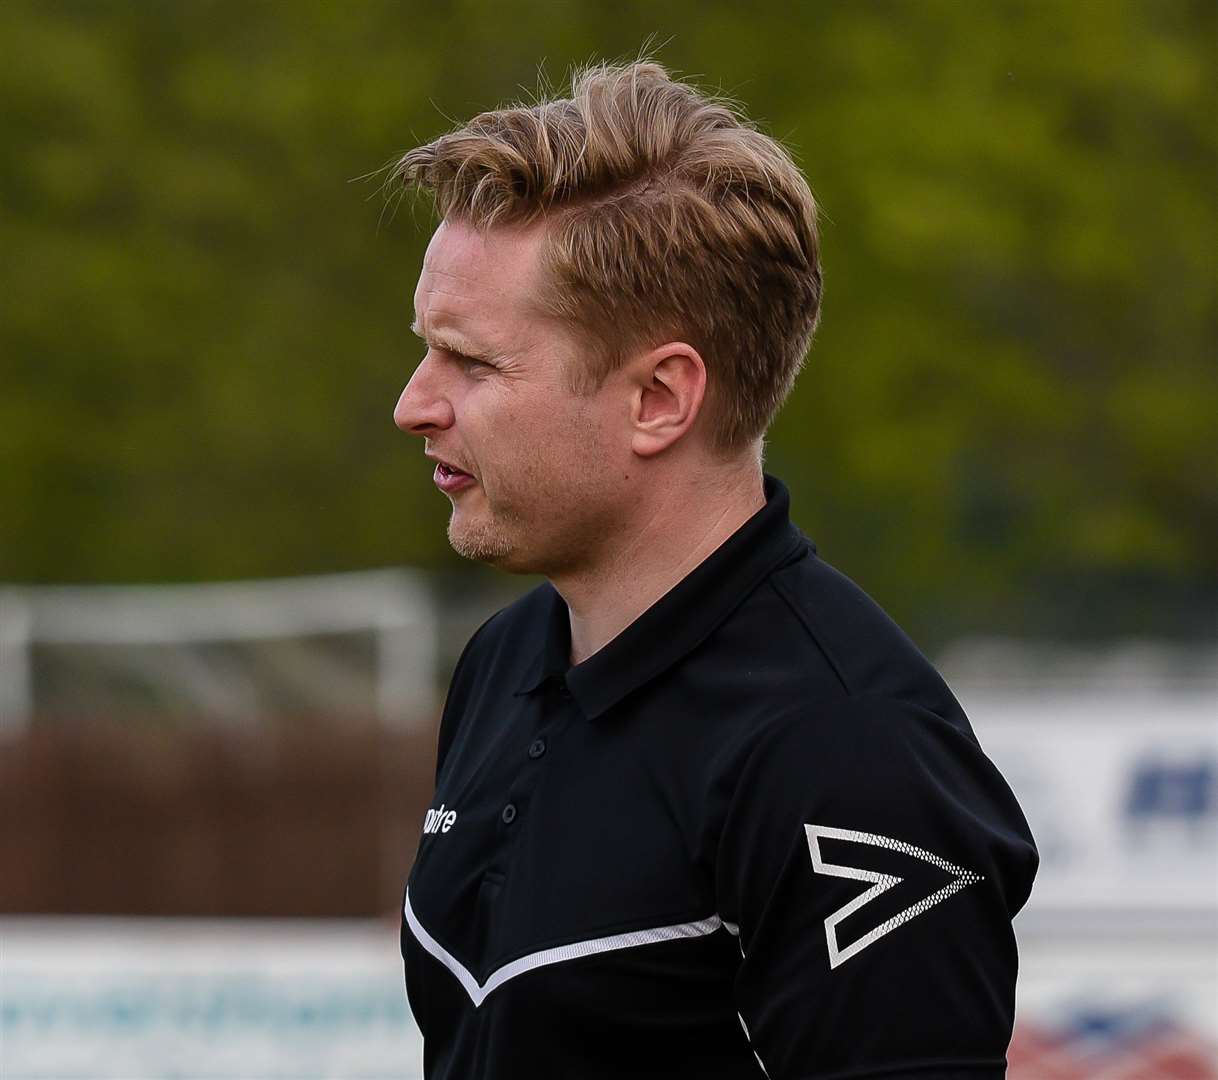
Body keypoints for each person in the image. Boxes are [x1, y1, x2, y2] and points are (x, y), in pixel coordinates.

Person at [391, 59, 1037, 1080]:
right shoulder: (503, 663)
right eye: (426, 350)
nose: (414, 403)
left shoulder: (846, 755)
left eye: (471, 363)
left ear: (660, 398)